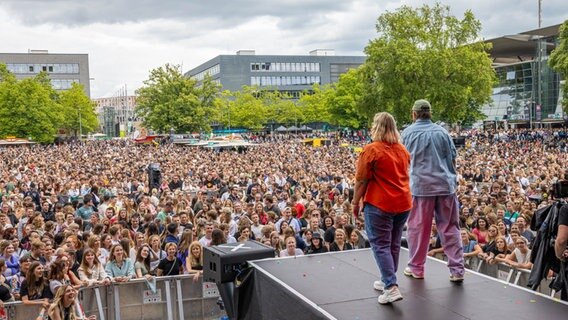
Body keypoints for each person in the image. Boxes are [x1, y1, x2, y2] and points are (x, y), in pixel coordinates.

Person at [402, 99, 465, 282]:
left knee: (418, 229)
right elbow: (452, 159)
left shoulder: (407, 134)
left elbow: (402, 162)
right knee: (450, 228)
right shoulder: (442, 132)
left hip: (420, 188)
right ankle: (457, 270)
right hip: (445, 186)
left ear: (414, 114)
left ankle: (417, 268)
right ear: (430, 113)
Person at [353, 112, 412, 304]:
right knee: (394, 244)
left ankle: (391, 286)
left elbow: (361, 180)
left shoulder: (371, 150)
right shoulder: (402, 150)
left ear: (375, 127)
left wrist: (355, 202)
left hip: (380, 204)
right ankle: (388, 279)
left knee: (380, 245)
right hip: (403, 204)